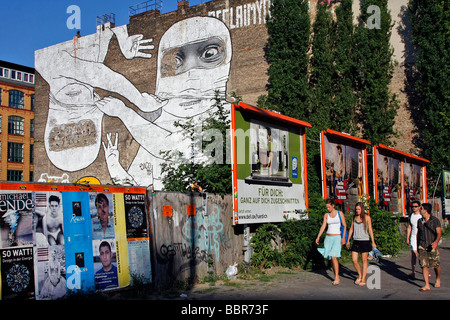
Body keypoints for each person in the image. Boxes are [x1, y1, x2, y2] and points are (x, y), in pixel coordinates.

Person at [316, 198, 347, 285]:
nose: (328, 209)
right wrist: (318, 236)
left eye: (329, 207)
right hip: (328, 238)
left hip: (337, 237)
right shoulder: (326, 215)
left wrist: (343, 237)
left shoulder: (340, 214)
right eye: (327, 207)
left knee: (334, 257)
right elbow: (323, 226)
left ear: (333, 205)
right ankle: (335, 274)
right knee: (332, 258)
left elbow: (344, 225)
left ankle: (337, 277)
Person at [346, 202, 376, 286]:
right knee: (354, 260)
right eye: (356, 209)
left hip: (365, 240)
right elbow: (351, 229)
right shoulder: (354, 218)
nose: (357, 211)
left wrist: (373, 242)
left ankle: (363, 278)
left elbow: (370, 230)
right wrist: (348, 240)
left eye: (359, 209)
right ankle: (359, 275)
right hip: (356, 240)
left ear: (362, 209)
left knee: (364, 260)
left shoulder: (367, 218)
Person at [417, 203, 441, 292]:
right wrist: (417, 245)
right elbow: (418, 233)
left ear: (425, 210)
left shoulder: (435, 220)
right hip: (422, 246)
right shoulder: (419, 221)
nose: (419, 209)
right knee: (424, 265)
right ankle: (427, 284)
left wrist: (436, 242)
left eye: (421, 208)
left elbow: (439, 233)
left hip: (432, 245)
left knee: (435, 265)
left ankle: (438, 278)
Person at [406, 200, 422, 279]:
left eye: (416, 206)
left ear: (419, 207)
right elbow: (409, 227)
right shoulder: (411, 215)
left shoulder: (422, 216)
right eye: (412, 206)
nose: (414, 208)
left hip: (421, 237)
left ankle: (425, 270)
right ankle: (413, 272)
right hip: (413, 236)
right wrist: (407, 238)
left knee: (422, 254)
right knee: (414, 253)